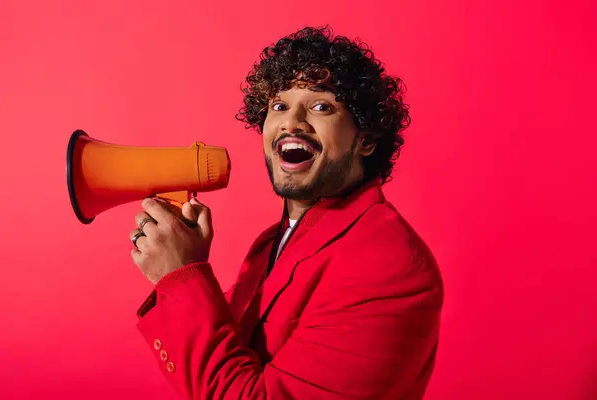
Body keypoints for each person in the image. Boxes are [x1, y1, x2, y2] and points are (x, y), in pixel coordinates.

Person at [129, 26, 444, 399]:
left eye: (321, 106)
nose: (290, 122)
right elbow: (223, 362)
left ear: (366, 139)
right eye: (278, 106)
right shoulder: (273, 242)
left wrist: (181, 276)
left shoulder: (390, 266)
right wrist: (180, 262)